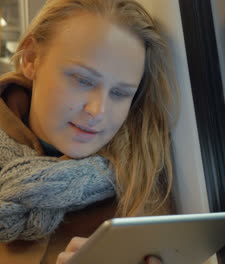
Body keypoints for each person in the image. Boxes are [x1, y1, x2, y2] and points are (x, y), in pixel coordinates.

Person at [0, 0, 176, 263]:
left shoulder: (141, 185)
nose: (98, 110)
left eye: (119, 93)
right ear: (30, 59)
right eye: (82, 80)